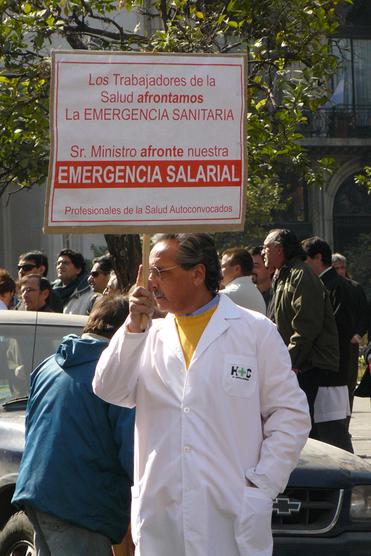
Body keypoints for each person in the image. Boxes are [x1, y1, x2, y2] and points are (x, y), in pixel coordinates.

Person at [93, 232, 310, 556]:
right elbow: (108, 388)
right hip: (162, 520)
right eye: (149, 272)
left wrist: (262, 484)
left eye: (161, 272)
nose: (151, 282)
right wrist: (133, 328)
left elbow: (290, 415)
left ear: (197, 273)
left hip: (231, 515)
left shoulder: (254, 332)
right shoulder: (148, 335)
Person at [12, 296, 135, 556]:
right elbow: (133, 452)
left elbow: (33, 424)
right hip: (80, 502)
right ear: (127, 331)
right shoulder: (114, 370)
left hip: (39, 492)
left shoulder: (49, 364)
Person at [263, 229, 340, 430]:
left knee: (303, 423)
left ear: (279, 249)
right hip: (294, 363)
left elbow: (307, 325)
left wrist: (290, 361)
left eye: (266, 247)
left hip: (306, 365)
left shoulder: (301, 275)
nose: (263, 252)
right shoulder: (283, 274)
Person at [302, 236, 353, 451]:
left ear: (318, 258)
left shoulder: (335, 286)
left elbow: (338, 327)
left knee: (332, 431)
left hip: (331, 370)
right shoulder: (328, 284)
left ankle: (354, 480)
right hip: (330, 368)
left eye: (305, 259)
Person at [332, 252, 369, 409]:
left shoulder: (355, 288)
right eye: (337, 268)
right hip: (332, 343)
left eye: (342, 267)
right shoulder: (326, 286)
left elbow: (364, 314)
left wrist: (358, 334)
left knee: (349, 382)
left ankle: (346, 419)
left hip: (350, 342)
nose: (340, 271)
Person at [220, 247, 266, 314]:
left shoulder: (225, 296)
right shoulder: (255, 292)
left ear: (237, 269)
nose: (220, 271)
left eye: (223, 267)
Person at [52, 248, 97, 315]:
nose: (60, 266)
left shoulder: (90, 295)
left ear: (78, 270)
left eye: (65, 263)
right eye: (58, 263)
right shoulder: (51, 291)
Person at [249, 245, 274, 310]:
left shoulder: (277, 295)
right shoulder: (247, 295)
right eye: (249, 266)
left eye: (255, 266)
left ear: (270, 269)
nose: (251, 270)